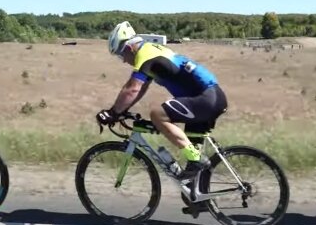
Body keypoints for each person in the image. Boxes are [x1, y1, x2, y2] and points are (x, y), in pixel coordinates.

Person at [96, 21, 227, 181]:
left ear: (129, 48)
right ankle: (200, 202)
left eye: (120, 55)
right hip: (209, 97)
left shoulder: (146, 56)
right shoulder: (152, 51)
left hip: (206, 99)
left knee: (157, 115)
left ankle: (196, 158)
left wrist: (112, 113)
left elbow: (132, 88)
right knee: (191, 180)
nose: (123, 60)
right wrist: (120, 111)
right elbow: (141, 88)